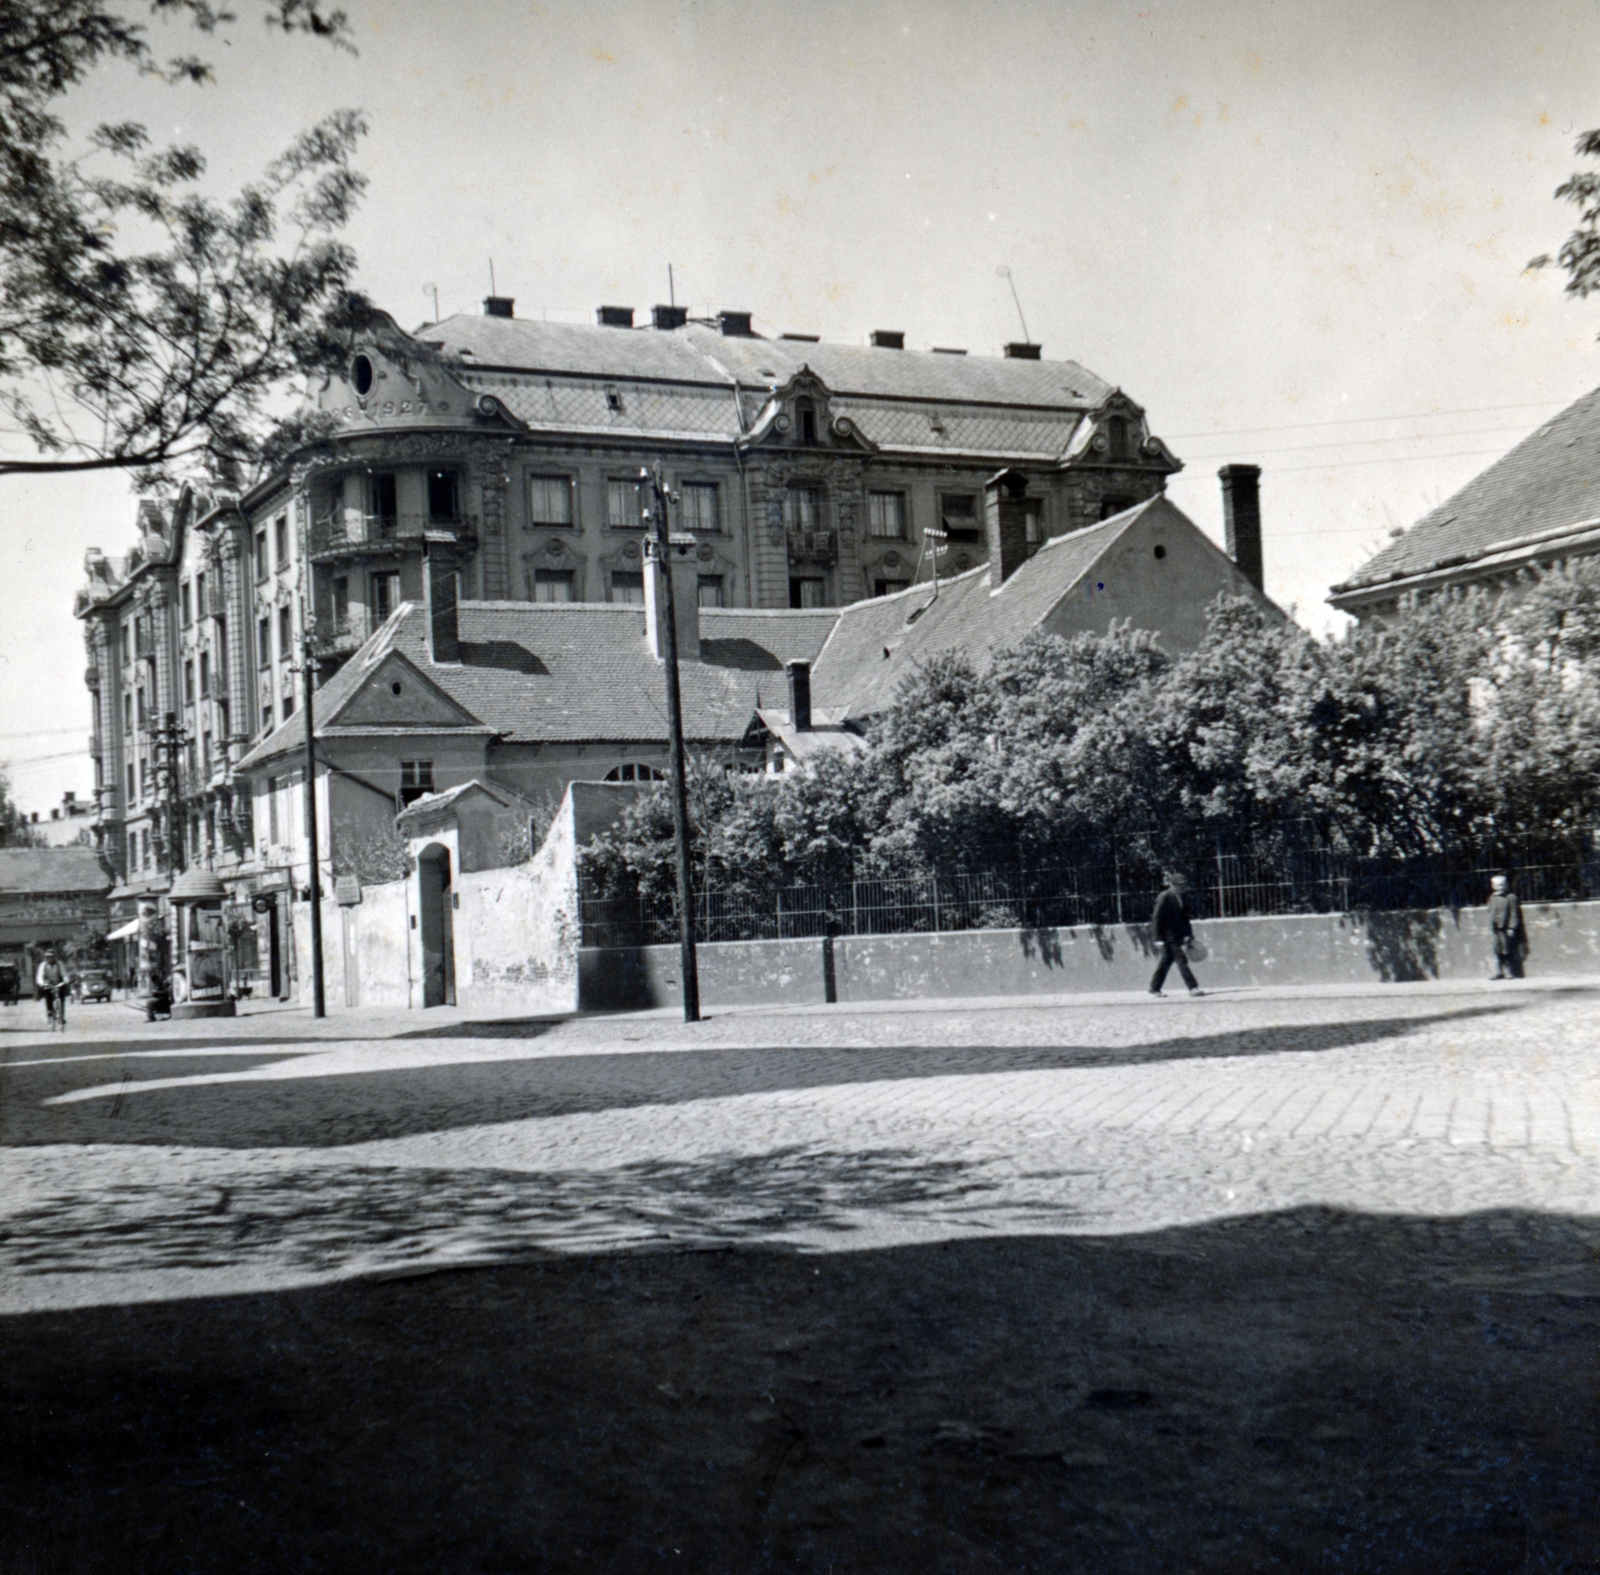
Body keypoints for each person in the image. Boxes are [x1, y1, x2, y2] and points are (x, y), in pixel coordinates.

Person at [1149, 871, 1202, 996]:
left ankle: (1154, 988)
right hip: (1168, 936)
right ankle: (1192, 988)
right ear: (1172, 884)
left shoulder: (1181, 897)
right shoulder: (1164, 896)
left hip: (1178, 935)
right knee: (1181, 959)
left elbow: (1184, 918)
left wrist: (1189, 935)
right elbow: (1156, 917)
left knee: (1166, 961)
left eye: (1183, 884)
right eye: (1180, 885)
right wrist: (1157, 938)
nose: (1182, 887)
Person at [1488, 873, 1526, 980]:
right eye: (1495, 885)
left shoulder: (1511, 897)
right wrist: (1492, 924)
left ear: (1505, 885)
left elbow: (1514, 913)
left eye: (1501, 885)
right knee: (1497, 949)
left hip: (1505, 928)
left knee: (1507, 950)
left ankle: (1510, 972)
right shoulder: (1493, 897)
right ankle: (1499, 972)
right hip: (1496, 928)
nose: (1498, 887)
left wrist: (1511, 927)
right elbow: (1491, 911)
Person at [34, 949, 70, 1028]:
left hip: (58, 983)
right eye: (48, 957)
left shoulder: (59, 964)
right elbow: (40, 976)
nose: (50, 959)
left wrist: (66, 981)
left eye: (52, 957)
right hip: (48, 984)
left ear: (55, 957)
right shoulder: (43, 965)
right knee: (48, 997)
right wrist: (42, 983)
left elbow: (64, 974)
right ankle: (50, 1013)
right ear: (46, 958)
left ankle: (61, 1016)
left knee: (62, 998)